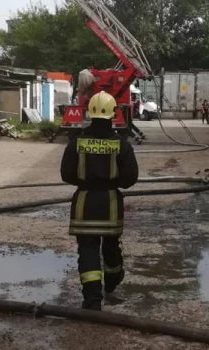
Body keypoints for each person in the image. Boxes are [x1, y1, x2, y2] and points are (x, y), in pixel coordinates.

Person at [60, 91, 139, 311]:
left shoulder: (76, 143)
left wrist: (86, 181)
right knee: (112, 246)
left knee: (87, 250)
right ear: (113, 113)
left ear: (90, 113)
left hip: (84, 202)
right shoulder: (121, 144)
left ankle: (92, 299)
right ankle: (113, 281)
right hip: (111, 204)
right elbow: (130, 178)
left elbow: (66, 174)